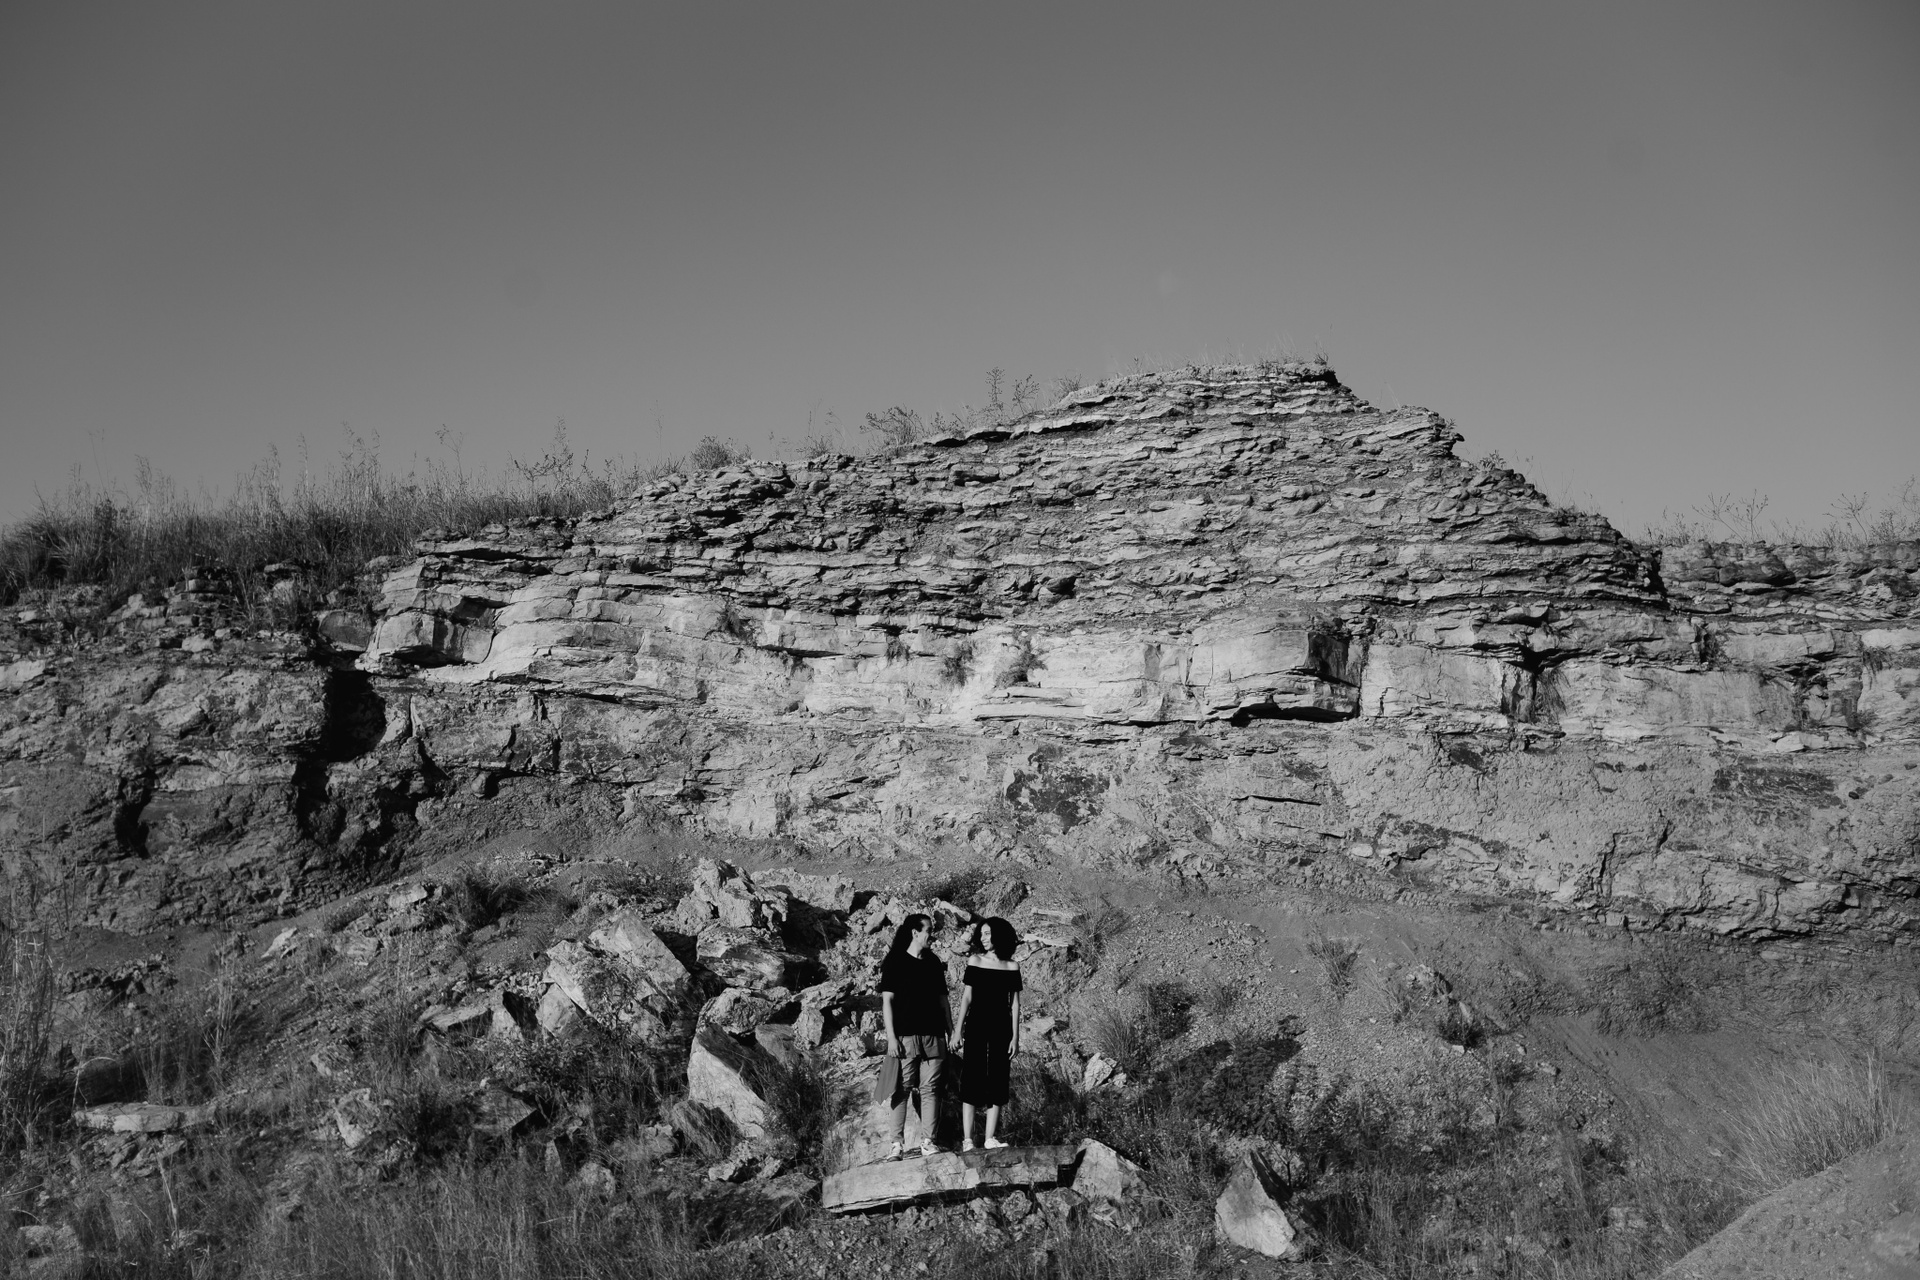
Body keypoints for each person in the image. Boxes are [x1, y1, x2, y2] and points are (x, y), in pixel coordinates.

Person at [876, 913, 950, 1159]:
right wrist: (891, 1038)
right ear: (915, 932)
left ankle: (928, 1141)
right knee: (902, 1089)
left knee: (931, 1089)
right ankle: (896, 1144)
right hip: (905, 1037)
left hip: (934, 1035)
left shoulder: (933, 962)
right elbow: (887, 1001)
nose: (932, 935)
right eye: (928, 930)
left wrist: (951, 1031)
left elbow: (943, 1001)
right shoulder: (895, 961)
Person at [951, 916, 1022, 1152]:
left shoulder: (1012, 966)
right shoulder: (976, 960)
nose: (983, 938)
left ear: (999, 935)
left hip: (1002, 1028)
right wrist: (958, 1030)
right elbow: (967, 997)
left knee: (998, 1078)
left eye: (988, 933)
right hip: (977, 1025)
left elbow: (1015, 1004)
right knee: (972, 1077)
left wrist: (1015, 1037)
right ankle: (968, 1140)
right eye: (981, 934)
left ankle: (990, 1138)